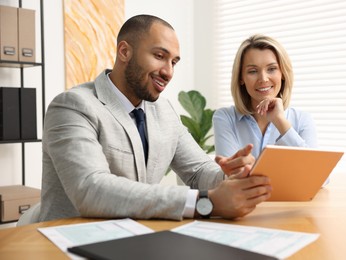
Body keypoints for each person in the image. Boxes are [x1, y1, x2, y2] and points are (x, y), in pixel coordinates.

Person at [39, 15, 272, 222]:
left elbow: (198, 171)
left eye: (174, 62)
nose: (168, 72)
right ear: (124, 52)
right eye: (160, 56)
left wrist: (228, 175)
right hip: (67, 241)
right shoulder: (72, 106)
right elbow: (90, 189)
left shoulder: (164, 112)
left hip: (131, 239)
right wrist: (206, 201)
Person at [213, 34, 317, 159]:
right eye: (253, 71)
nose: (263, 79)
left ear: (282, 73)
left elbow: (319, 176)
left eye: (271, 69)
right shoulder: (225, 118)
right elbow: (231, 174)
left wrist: (280, 122)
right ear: (241, 78)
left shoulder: (302, 119)